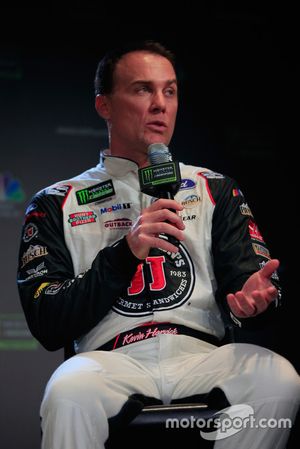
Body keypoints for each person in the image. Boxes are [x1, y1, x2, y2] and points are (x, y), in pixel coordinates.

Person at [17, 40, 299, 449]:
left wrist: (257, 301)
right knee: (67, 393)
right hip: (108, 360)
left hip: (201, 355)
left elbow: (248, 286)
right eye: (142, 89)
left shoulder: (212, 188)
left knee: (278, 378)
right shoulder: (56, 202)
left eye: (169, 91)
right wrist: (124, 252)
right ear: (104, 106)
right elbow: (47, 322)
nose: (159, 104)